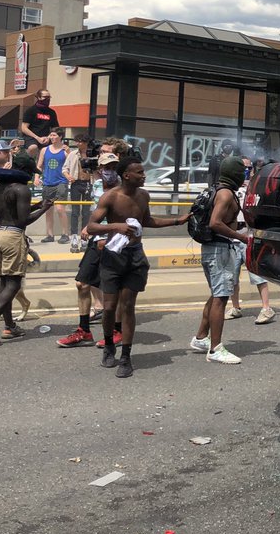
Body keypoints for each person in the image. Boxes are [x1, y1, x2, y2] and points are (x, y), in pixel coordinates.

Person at [85, 159, 190, 378]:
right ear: (126, 175)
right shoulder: (110, 197)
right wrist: (116, 226)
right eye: (139, 172)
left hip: (135, 257)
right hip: (113, 257)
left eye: (143, 172)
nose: (144, 175)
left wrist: (177, 221)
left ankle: (126, 356)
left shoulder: (143, 196)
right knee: (110, 307)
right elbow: (92, 226)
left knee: (129, 306)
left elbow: (148, 220)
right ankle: (108, 347)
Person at [0, 153, 53, 346]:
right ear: (24, 171)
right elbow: (23, 220)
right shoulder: (22, 189)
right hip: (12, 237)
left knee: (4, 282)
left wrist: (37, 205)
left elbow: (13, 212)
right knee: (14, 283)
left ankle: (10, 326)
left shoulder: (0, 185)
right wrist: (44, 209)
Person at [188, 157, 251, 365]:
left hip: (213, 249)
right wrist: (241, 237)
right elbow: (215, 223)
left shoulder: (218, 190)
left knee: (216, 294)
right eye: (242, 171)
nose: (245, 174)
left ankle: (200, 338)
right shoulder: (225, 194)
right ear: (235, 173)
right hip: (220, 249)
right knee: (221, 297)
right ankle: (216, 349)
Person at [56, 152, 121, 348]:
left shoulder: (125, 189)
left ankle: (118, 331)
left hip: (115, 242)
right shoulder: (98, 185)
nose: (110, 171)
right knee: (81, 284)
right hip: (97, 240)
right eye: (106, 167)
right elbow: (97, 212)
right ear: (99, 169)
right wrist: (89, 226)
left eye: (114, 167)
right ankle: (84, 331)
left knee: (113, 289)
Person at [36, 128, 70, 244]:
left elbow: (72, 163)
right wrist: (37, 177)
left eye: (54, 135)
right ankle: (49, 234)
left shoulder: (65, 151)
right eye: (50, 135)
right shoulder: (45, 150)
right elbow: (39, 165)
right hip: (47, 182)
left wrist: (69, 153)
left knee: (60, 208)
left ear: (60, 136)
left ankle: (65, 233)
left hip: (61, 181)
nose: (52, 137)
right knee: (48, 209)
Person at [64, 135, 94, 252]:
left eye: (80, 142)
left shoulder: (92, 154)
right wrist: (68, 176)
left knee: (86, 212)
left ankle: (84, 237)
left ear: (85, 142)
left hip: (88, 183)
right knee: (75, 212)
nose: (78, 144)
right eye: (77, 142)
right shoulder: (73, 154)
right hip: (76, 183)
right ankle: (74, 237)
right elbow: (64, 168)